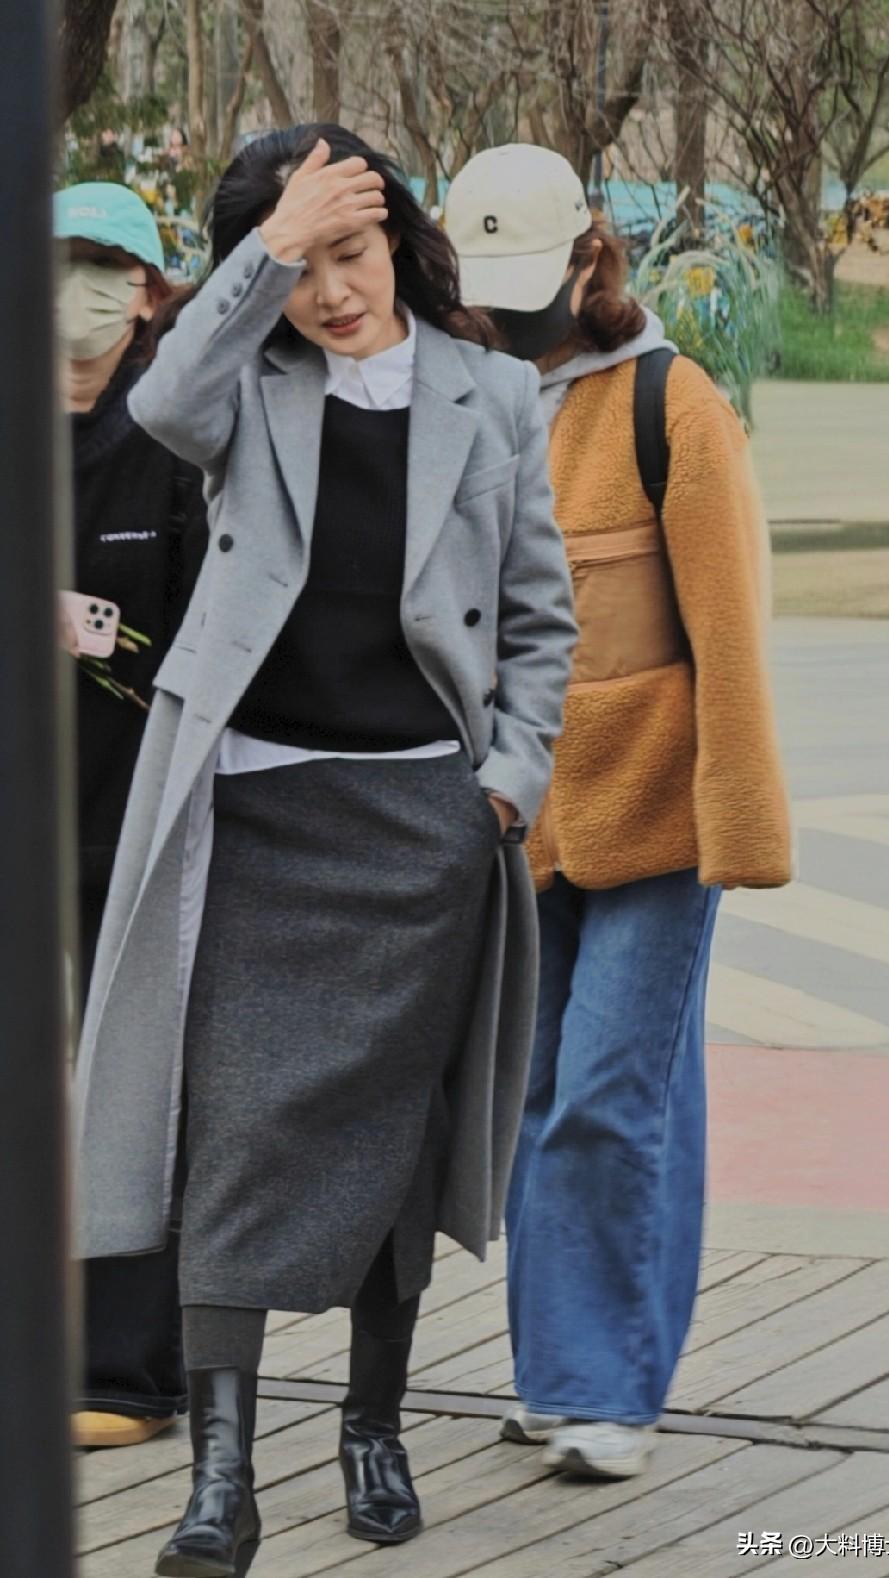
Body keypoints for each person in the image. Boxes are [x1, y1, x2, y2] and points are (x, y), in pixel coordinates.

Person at [73, 125, 576, 1574]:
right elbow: (162, 400)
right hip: (252, 811)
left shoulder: (492, 391)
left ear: (398, 241)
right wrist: (271, 246)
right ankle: (220, 1479)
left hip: (420, 821)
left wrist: (501, 788)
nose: (333, 293)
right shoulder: (245, 380)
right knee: (236, 1137)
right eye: (304, 265)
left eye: (353, 253)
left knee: (390, 1146)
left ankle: (372, 1426)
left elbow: (538, 616)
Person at [446, 144, 792, 1480]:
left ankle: (602, 1387)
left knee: (608, 1090)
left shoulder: (671, 401)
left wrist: (739, 822)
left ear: (591, 255)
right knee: (544, 1096)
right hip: (515, 820)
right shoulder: (463, 396)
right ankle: (565, 1373)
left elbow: (730, 635)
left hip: (655, 813)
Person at [55, 182, 208, 1451]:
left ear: (150, 294)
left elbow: (209, 643)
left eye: (107, 266)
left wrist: (91, 632)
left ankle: (127, 1372)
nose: (79, 289)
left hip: (135, 821)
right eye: (58, 260)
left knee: (127, 1089)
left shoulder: (176, 441)